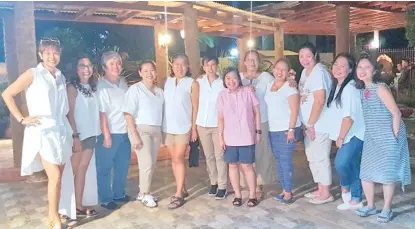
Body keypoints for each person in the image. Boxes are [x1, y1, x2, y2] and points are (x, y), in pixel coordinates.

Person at [2, 38, 73, 229]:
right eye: (47, 52)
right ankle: (55, 218)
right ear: (40, 55)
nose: (52, 56)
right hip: (43, 130)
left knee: (58, 178)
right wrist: (21, 118)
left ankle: (52, 215)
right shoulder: (32, 74)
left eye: (55, 52)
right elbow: (7, 94)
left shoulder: (60, 76)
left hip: (61, 129)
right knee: (55, 177)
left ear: (60, 54)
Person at [354, 54, 411, 223]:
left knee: (387, 174)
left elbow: (396, 113)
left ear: (374, 71)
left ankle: (387, 208)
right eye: (359, 67)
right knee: (366, 173)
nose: (362, 71)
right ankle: (370, 205)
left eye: (367, 67)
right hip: (372, 137)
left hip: (388, 137)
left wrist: (393, 137)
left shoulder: (380, 88)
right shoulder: (363, 91)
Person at [326, 53, 365, 210]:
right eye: (336, 64)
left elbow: (349, 118)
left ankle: (346, 189)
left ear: (350, 70)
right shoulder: (337, 86)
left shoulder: (349, 89)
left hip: (354, 134)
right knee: (353, 164)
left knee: (340, 164)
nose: (338, 68)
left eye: (343, 66)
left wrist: (340, 137)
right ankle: (356, 198)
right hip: (349, 133)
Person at [217, 68, 261, 207]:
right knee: (232, 166)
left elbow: (257, 112)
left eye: (234, 78)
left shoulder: (248, 92)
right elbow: (220, 118)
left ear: (239, 79)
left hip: (247, 136)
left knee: (247, 166)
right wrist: (221, 136)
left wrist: (258, 131)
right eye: (227, 78)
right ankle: (238, 195)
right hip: (229, 137)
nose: (231, 81)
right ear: (224, 81)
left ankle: (252, 195)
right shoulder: (222, 95)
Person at [122, 61, 163, 208]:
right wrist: (134, 134)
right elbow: (127, 113)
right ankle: (145, 194)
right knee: (146, 163)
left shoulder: (159, 92)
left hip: (156, 131)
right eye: (145, 71)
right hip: (140, 130)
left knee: (151, 164)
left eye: (152, 70)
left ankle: (143, 192)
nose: (149, 73)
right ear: (140, 73)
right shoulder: (135, 90)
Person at [298, 42, 333, 204]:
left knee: (320, 156)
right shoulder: (305, 72)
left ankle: (326, 192)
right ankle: (320, 188)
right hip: (309, 124)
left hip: (319, 124)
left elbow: (319, 100)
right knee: (312, 156)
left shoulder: (319, 72)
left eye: (308, 56)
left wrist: (311, 124)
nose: (305, 59)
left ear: (315, 55)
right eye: (301, 56)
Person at [95, 51, 131, 210]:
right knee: (105, 167)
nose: (115, 66)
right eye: (111, 64)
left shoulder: (123, 82)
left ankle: (119, 193)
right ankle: (105, 198)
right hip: (110, 133)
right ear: (104, 67)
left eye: (118, 63)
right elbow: (101, 112)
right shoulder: (101, 86)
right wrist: (106, 135)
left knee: (122, 166)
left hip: (125, 132)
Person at [163, 54, 199, 209]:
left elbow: (195, 108)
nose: (179, 67)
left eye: (183, 64)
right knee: (174, 159)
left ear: (188, 66)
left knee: (178, 157)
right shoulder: (168, 82)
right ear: (172, 66)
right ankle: (182, 188)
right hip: (168, 127)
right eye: (176, 64)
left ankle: (178, 193)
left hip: (184, 127)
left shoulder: (192, 83)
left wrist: (194, 129)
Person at [66, 55, 100, 217]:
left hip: (91, 134)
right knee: (70, 172)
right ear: (77, 69)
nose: (86, 69)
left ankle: (78, 206)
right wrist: (75, 136)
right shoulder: (72, 87)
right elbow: (69, 114)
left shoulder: (93, 87)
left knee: (82, 170)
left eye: (88, 65)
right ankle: (63, 208)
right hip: (78, 136)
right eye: (82, 65)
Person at [239, 50, 276, 198]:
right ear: (244, 62)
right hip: (243, 122)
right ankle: (246, 183)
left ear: (259, 62)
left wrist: (291, 79)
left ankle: (259, 184)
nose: (252, 63)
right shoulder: (239, 78)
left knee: (261, 152)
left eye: (255, 60)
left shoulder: (266, 77)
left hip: (262, 120)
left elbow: (278, 87)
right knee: (245, 152)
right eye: (249, 60)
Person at [265, 58, 301, 205]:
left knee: (285, 161)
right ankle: (284, 188)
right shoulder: (269, 85)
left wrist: (291, 129)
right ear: (273, 69)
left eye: (283, 69)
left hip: (287, 129)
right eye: (277, 68)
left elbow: (294, 111)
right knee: (279, 160)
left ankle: (288, 192)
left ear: (288, 73)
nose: (279, 72)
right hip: (273, 129)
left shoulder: (290, 87)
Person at [196, 56, 227, 199]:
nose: (210, 68)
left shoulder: (222, 83)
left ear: (217, 66)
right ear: (203, 67)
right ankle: (213, 182)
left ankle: (222, 185)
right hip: (202, 124)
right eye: (207, 65)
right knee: (208, 156)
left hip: (218, 125)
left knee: (219, 156)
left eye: (213, 65)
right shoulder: (198, 82)